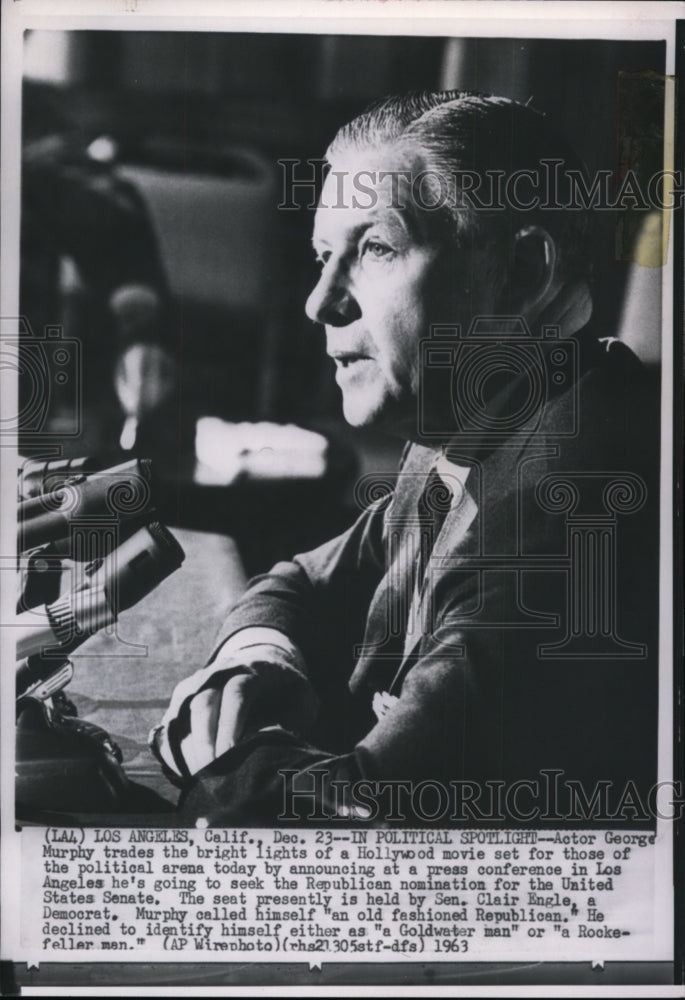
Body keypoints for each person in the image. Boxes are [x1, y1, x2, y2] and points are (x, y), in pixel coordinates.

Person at [152, 92, 660, 827]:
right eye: (324, 257)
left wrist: (217, 757)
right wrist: (259, 660)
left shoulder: (564, 513)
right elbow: (301, 580)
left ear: (520, 273)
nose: (320, 302)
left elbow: (349, 819)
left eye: (376, 249)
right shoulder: (493, 416)